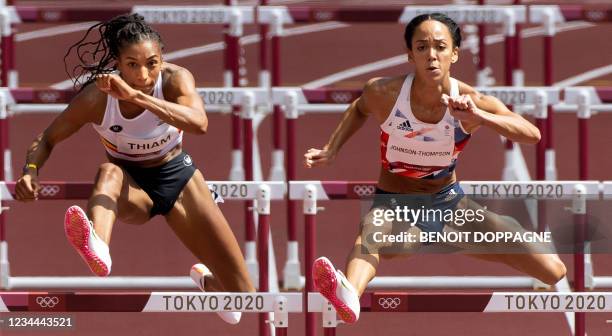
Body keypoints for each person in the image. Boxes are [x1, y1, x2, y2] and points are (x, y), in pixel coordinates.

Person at [304, 13, 567, 324]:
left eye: (440, 46)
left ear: (454, 53)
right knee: (375, 232)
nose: (431, 54)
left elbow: (531, 134)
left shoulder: (471, 101)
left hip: (449, 204)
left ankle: (478, 233)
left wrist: (481, 119)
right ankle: (348, 293)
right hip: (395, 202)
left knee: (553, 270)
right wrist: (332, 148)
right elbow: (359, 108)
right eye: (422, 47)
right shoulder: (385, 93)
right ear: (410, 55)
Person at [14, 13, 253, 324]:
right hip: (131, 186)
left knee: (247, 298)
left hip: (179, 179)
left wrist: (137, 97)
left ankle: (210, 283)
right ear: (117, 62)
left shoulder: (175, 79)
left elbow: (200, 123)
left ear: (162, 58)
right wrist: (30, 170)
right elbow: (47, 137)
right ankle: (97, 242)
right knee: (107, 172)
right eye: (132, 65)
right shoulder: (96, 98)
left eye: (152, 63)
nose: (144, 74)